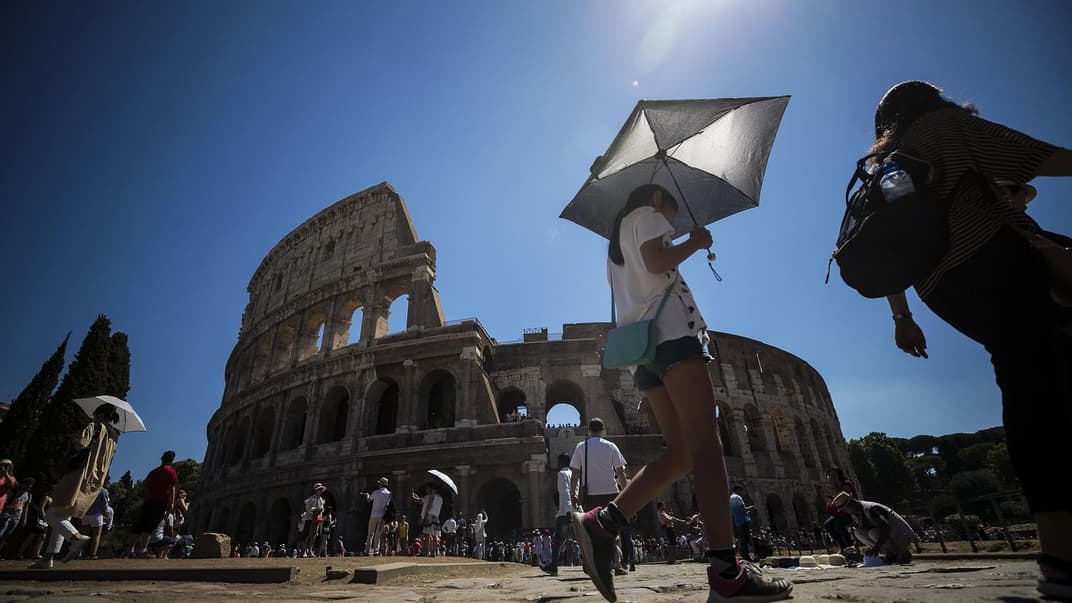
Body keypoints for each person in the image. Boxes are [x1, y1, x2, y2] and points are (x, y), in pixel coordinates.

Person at [869, 81, 1072, 599]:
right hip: (993, 260)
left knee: (1025, 382)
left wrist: (901, 317)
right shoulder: (945, 126)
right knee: (1040, 392)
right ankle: (1061, 555)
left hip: (940, 288)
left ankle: (1059, 553)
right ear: (931, 102)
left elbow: (887, 250)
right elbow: (1036, 157)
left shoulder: (888, 162)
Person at [571, 184, 791, 602]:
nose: (674, 218)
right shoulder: (647, 216)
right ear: (656, 197)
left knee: (682, 453)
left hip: (643, 354)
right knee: (707, 446)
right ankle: (726, 571)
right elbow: (658, 262)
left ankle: (604, 522)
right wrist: (695, 241)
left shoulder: (616, 244)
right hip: (673, 339)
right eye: (672, 209)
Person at [34, 403, 122, 568]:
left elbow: (80, 444)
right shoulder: (115, 437)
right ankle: (47, 559)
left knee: (51, 514)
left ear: (100, 414)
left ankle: (76, 537)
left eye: (95, 413)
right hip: (96, 479)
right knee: (64, 516)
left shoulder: (95, 426)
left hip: (79, 473)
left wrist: (74, 437)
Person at [832, 492, 915, 565]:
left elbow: (885, 528)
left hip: (901, 534)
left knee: (873, 533)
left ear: (851, 503)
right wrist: (854, 547)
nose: (845, 511)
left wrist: (876, 548)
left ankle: (901, 551)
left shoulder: (870, 509)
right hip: (889, 535)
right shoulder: (855, 514)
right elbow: (863, 529)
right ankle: (890, 553)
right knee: (858, 533)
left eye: (845, 508)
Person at [129, 451, 179, 559]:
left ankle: (130, 550)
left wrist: (147, 498)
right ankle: (142, 550)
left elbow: (146, 487)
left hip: (149, 501)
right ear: (172, 460)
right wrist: (171, 502)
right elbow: (172, 488)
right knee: (150, 526)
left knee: (140, 526)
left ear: (161, 458)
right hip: (160, 501)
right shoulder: (171, 472)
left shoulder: (153, 472)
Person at [542, 453, 573, 576]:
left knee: (557, 539)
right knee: (581, 538)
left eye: (558, 462)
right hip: (577, 509)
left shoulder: (562, 474)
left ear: (561, 462)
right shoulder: (574, 474)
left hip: (565, 512)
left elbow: (564, 492)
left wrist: (568, 510)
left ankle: (553, 566)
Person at [823, 467, 856, 551]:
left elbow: (845, 498)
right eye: (830, 475)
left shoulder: (846, 484)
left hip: (850, 510)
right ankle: (842, 546)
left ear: (838, 475)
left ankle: (850, 546)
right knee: (827, 525)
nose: (831, 476)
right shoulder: (834, 486)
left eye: (833, 474)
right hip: (840, 512)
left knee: (838, 525)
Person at [0, 476, 34, 553]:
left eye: (30, 485)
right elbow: (5, 500)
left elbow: (26, 508)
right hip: (7, 513)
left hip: (17, 516)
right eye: (28, 484)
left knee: (7, 535)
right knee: (1, 531)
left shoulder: (29, 495)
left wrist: (24, 519)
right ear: (23, 484)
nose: (29, 486)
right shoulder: (14, 491)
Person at [362, 477, 392, 556]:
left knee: (370, 534)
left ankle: (367, 550)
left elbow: (369, 500)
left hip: (374, 515)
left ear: (381, 484)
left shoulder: (376, 492)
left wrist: (367, 495)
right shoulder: (389, 494)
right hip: (382, 516)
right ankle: (376, 551)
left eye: (379, 483)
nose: (378, 484)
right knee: (378, 534)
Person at [81, 485, 113, 559]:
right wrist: (106, 513)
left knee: (84, 535)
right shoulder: (103, 490)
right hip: (97, 515)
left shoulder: (86, 488)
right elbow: (104, 504)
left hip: (85, 514)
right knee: (96, 535)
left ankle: (80, 553)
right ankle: (93, 554)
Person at [412, 484, 443, 557]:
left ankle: (426, 552)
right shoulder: (441, 498)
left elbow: (429, 505)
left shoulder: (432, 496)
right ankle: (433, 552)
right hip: (436, 517)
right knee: (435, 536)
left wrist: (425, 514)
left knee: (427, 535)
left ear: (434, 490)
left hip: (429, 516)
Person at [298, 483, 326, 557]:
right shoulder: (311, 498)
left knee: (313, 535)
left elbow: (322, 509)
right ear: (316, 490)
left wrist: (321, 511)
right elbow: (308, 508)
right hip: (309, 518)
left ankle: (310, 550)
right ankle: (304, 551)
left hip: (317, 519)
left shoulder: (321, 500)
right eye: (319, 489)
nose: (320, 490)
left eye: (321, 489)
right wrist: (315, 510)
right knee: (306, 535)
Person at [728, 486, 753, 562]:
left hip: (737, 521)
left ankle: (743, 555)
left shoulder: (730, 498)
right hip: (743, 520)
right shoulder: (738, 497)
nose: (741, 493)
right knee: (745, 539)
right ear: (738, 490)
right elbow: (742, 508)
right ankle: (746, 556)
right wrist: (750, 508)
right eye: (741, 491)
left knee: (741, 539)